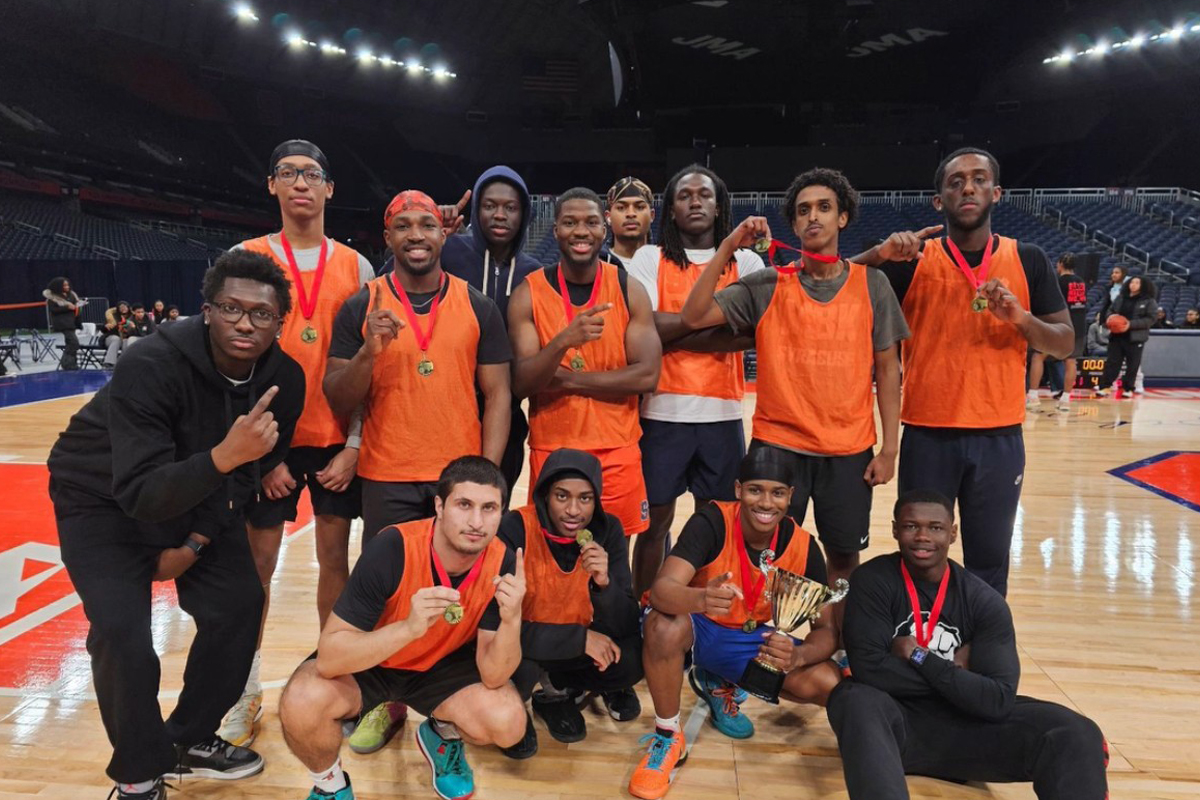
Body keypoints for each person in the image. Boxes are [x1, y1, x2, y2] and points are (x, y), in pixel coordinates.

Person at [46, 250, 305, 800]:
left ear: (281, 322)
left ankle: (187, 741)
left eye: (261, 314)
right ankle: (139, 775)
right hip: (99, 500)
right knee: (122, 634)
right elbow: (140, 491)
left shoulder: (284, 379)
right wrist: (222, 457)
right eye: (230, 308)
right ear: (206, 310)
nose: (244, 322)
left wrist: (194, 541)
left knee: (239, 604)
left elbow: (242, 479)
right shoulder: (151, 362)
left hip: (198, 501)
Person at [850, 148, 1074, 597]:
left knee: (989, 560)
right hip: (928, 436)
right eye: (955, 182)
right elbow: (834, 285)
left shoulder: (1027, 258)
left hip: (998, 438)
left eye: (977, 179)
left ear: (997, 192)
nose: (967, 188)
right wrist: (878, 254)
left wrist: (1020, 319)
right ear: (939, 201)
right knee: (919, 556)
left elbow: (1065, 342)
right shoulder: (911, 262)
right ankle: (916, 648)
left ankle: (980, 656)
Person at [680, 167, 908, 592]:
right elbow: (693, 316)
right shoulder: (768, 284)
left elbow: (889, 370)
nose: (813, 218)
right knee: (770, 551)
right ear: (794, 223)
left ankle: (837, 643)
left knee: (843, 554)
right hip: (778, 446)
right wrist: (729, 244)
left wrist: (890, 448)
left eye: (824, 207)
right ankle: (767, 641)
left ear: (842, 218)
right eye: (803, 211)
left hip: (848, 448)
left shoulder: (873, 284)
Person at [223, 139, 377, 748]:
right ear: (272, 186)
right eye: (287, 173)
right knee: (256, 569)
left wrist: (357, 445)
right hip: (270, 445)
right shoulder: (247, 255)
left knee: (335, 563)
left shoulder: (358, 266)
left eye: (312, 174)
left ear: (329, 189)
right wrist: (263, 455)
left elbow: (371, 367)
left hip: (336, 442)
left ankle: (331, 679)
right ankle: (243, 688)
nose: (300, 184)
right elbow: (229, 361)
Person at [827, 489, 1108, 800]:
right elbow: (869, 670)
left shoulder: (983, 602)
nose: (923, 537)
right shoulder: (872, 581)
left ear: (953, 533)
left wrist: (920, 656)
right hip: (897, 728)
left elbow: (998, 699)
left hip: (968, 729)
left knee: (1075, 731)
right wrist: (960, 677)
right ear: (895, 529)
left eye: (935, 527)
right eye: (911, 526)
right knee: (853, 698)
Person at [277, 456, 530, 800]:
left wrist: (512, 618)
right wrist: (409, 629)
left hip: (442, 666)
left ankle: (441, 735)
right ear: (439, 506)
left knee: (509, 723)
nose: (476, 521)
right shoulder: (393, 547)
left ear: (502, 512)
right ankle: (330, 785)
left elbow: (494, 676)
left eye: (489, 508)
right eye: (464, 504)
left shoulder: (502, 561)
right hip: (375, 661)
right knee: (303, 699)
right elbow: (330, 658)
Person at [629, 449, 840, 800]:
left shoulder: (804, 546)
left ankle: (717, 681)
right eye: (756, 490)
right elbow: (662, 590)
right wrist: (699, 599)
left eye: (777, 492)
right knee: (662, 627)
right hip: (700, 628)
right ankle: (667, 738)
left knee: (829, 681)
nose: (766, 502)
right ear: (739, 489)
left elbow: (826, 633)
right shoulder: (712, 521)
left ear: (790, 496)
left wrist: (797, 658)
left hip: (749, 642)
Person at [626, 165, 765, 597]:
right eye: (684, 195)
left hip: (722, 415)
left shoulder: (747, 261)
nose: (695, 202)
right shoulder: (650, 257)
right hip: (661, 413)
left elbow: (753, 333)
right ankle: (645, 611)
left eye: (704, 195)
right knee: (654, 525)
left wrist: (677, 330)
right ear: (671, 209)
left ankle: (709, 614)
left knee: (717, 523)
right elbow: (644, 326)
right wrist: (718, 334)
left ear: (719, 204)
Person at [509, 187, 661, 548]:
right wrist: (563, 340)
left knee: (613, 559)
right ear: (556, 230)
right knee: (550, 556)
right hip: (553, 450)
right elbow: (523, 383)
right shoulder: (528, 293)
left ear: (604, 229)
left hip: (617, 450)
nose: (581, 231)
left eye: (591, 222)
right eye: (570, 223)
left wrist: (565, 379)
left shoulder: (628, 288)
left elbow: (647, 375)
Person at [498, 448, 642, 752]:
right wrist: (579, 640)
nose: (574, 510)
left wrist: (605, 584)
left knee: (632, 658)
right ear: (544, 496)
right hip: (523, 642)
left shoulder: (609, 529)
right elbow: (495, 625)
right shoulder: (514, 527)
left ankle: (557, 688)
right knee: (518, 666)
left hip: (570, 643)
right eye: (562, 496)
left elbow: (627, 620)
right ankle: (513, 712)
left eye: (585, 498)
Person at [412, 166, 542, 496]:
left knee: (490, 512)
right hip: (442, 410)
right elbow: (394, 283)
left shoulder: (534, 274)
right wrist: (432, 237)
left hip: (506, 414)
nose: (500, 215)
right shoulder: (449, 251)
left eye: (510, 207)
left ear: (523, 213)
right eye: (489, 205)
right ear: (476, 209)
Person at [1028, 253, 1088, 411]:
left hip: (1061, 325)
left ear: (1060, 264)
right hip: (1079, 326)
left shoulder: (1058, 281)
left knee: (1038, 356)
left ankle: (1033, 396)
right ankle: (1066, 399)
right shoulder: (1081, 282)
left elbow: (1052, 305)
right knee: (1070, 361)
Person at [1095, 275, 1158, 398]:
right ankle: (1105, 387)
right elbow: (1110, 310)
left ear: (1143, 286)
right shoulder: (1121, 297)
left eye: (1137, 283)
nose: (1133, 285)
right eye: (1132, 282)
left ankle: (1128, 388)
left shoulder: (1149, 301)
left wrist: (1130, 324)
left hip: (1135, 337)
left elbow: (1151, 319)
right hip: (1117, 335)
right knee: (1112, 362)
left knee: (1132, 364)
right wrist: (1111, 318)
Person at [605, 176, 655, 269]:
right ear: (608, 217)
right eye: (621, 208)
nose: (631, 214)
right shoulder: (594, 266)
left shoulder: (668, 265)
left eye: (640, 207)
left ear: (652, 215)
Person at [44, 276, 82, 371]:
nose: (67, 286)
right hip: (62, 323)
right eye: (64, 285)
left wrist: (79, 305)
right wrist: (67, 308)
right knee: (74, 343)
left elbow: (75, 305)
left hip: (72, 321)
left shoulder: (71, 295)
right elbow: (53, 310)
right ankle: (67, 363)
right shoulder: (52, 298)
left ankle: (71, 363)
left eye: (67, 284)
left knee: (70, 343)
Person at [103, 300, 137, 367]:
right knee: (116, 339)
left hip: (126, 337)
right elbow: (103, 331)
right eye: (121, 308)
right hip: (112, 337)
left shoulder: (133, 317)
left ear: (128, 308)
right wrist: (106, 327)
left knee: (127, 341)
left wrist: (131, 328)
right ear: (118, 309)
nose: (123, 309)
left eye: (125, 307)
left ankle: (124, 362)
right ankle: (109, 362)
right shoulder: (112, 316)